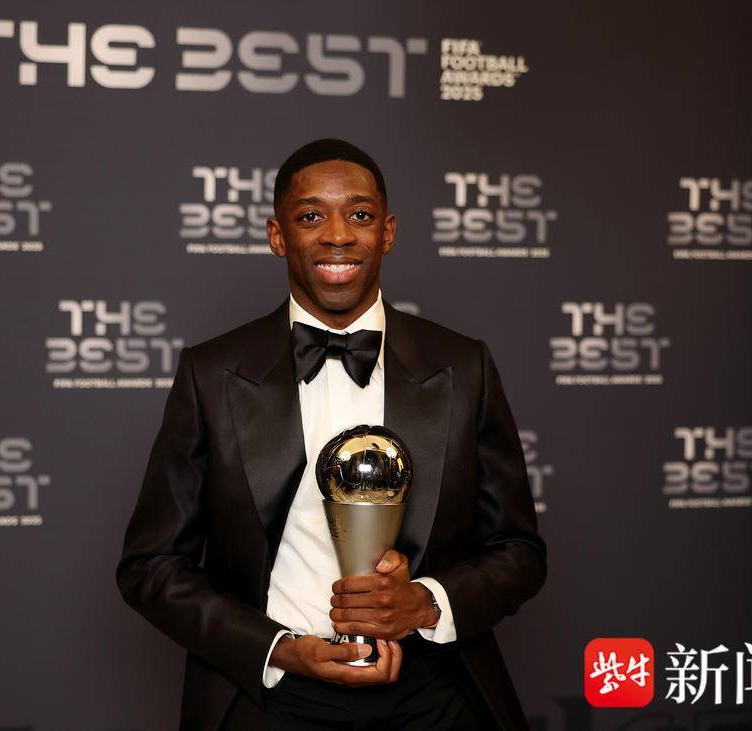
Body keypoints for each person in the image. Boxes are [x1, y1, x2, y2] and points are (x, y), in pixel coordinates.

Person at [117, 138, 546, 730]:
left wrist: (426, 603)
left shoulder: (463, 365)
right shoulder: (211, 374)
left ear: (387, 232)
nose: (338, 235)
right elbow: (152, 566)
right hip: (271, 701)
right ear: (277, 236)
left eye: (360, 215)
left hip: (436, 696)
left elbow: (519, 551)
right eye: (311, 216)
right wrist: (280, 649)